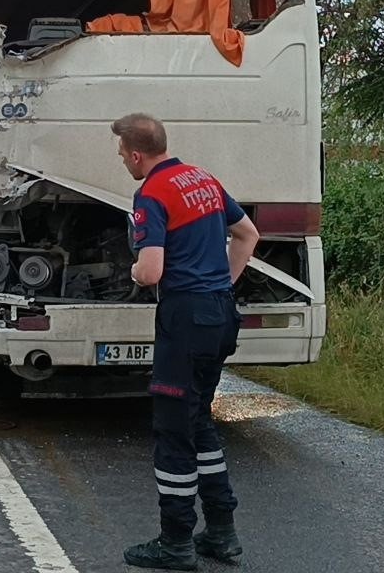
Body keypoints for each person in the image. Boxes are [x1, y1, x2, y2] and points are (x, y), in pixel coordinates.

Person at [112, 113, 260, 570]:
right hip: (218, 312)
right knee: (199, 422)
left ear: (137, 154)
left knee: (173, 429)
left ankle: (176, 542)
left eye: (121, 153)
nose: (121, 160)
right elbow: (247, 235)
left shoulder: (151, 193)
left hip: (185, 317)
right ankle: (221, 532)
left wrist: (136, 271)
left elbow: (152, 269)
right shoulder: (203, 179)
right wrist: (222, 284)